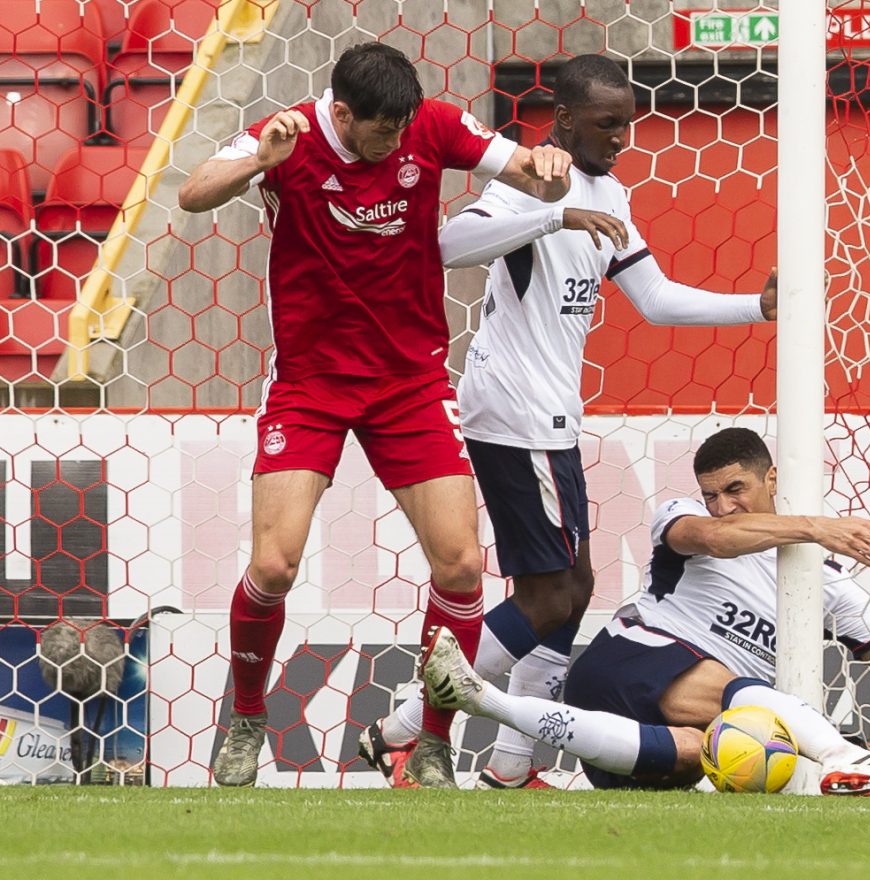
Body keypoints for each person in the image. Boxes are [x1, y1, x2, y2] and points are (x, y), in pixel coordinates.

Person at [359, 54, 777, 789]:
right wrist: (553, 212)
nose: (620, 139)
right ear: (564, 119)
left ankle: (508, 767)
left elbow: (654, 298)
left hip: (549, 417)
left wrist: (757, 308)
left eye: (627, 125)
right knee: (551, 598)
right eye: (607, 124)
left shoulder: (609, 189)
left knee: (574, 591)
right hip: (514, 412)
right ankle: (403, 729)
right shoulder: (530, 179)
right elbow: (447, 246)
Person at [177, 42, 574, 788]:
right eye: (380, 130)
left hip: (409, 381)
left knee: (461, 565)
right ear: (342, 112)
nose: (394, 142)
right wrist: (258, 161)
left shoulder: (433, 125)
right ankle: (248, 716)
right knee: (273, 565)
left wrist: (548, 171)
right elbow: (194, 194)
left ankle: (430, 743)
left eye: (401, 129)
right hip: (311, 383)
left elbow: (527, 173)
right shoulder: (288, 135)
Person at [419, 427, 870, 796]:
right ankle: (843, 755)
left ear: (772, 479)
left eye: (736, 489)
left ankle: (481, 698)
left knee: (703, 751)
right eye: (712, 494)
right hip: (627, 665)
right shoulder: (681, 517)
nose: (722, 506)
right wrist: (818, 528)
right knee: (735, 693)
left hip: (647, 740)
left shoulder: (829, 584)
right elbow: (716, 537)